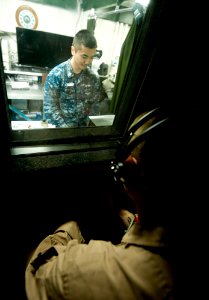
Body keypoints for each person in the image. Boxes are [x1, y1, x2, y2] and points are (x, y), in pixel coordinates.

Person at [25, 107, 180, 300]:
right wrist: (136, 223)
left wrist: (68, 229)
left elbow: (37, 273)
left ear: (128, 170)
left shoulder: (86, 269)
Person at [43, 29, 108, 127]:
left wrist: (90, 128)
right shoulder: (56, 75)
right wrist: (67, 132)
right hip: (61, 130)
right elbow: (50, 109)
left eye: (92, 57)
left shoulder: (93, 78)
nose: (88, 62)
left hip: (83, 131)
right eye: (84, 56)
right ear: (73, 50)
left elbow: (94, 106)